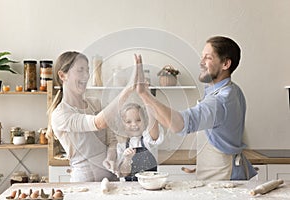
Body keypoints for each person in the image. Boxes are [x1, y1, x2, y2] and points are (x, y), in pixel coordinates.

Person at [133, 36, 257, 180]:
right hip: (224, 171)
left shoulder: (220, 100)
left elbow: (179, 125)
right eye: (202, 57)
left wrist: (145, 95)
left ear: (225, 64)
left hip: (224, 178)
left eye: (208, 58)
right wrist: (146, 96)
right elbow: (219, 134)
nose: (201, 62)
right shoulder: (232, 89)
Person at [47, 51, 134, 182]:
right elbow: (98, 123)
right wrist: (128, 89)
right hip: (84, 183)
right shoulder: (60, 114)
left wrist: (110, 157)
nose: (86, 76)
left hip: (111, 179)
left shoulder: (95, 103)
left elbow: (111, 140)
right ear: (62, 75)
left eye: (87, 71)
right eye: (80, 70)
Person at [115, 102, 164, 181]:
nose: (134, 124)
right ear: (122, 125)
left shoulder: (147, 139)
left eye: (138, 120)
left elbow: (154, 134)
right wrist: (127, 159)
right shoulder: (122, 145)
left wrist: (149, 103)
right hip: (130, 188)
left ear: (145, 121)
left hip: (151, 185)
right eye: (128, 122)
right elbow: (123, 173)